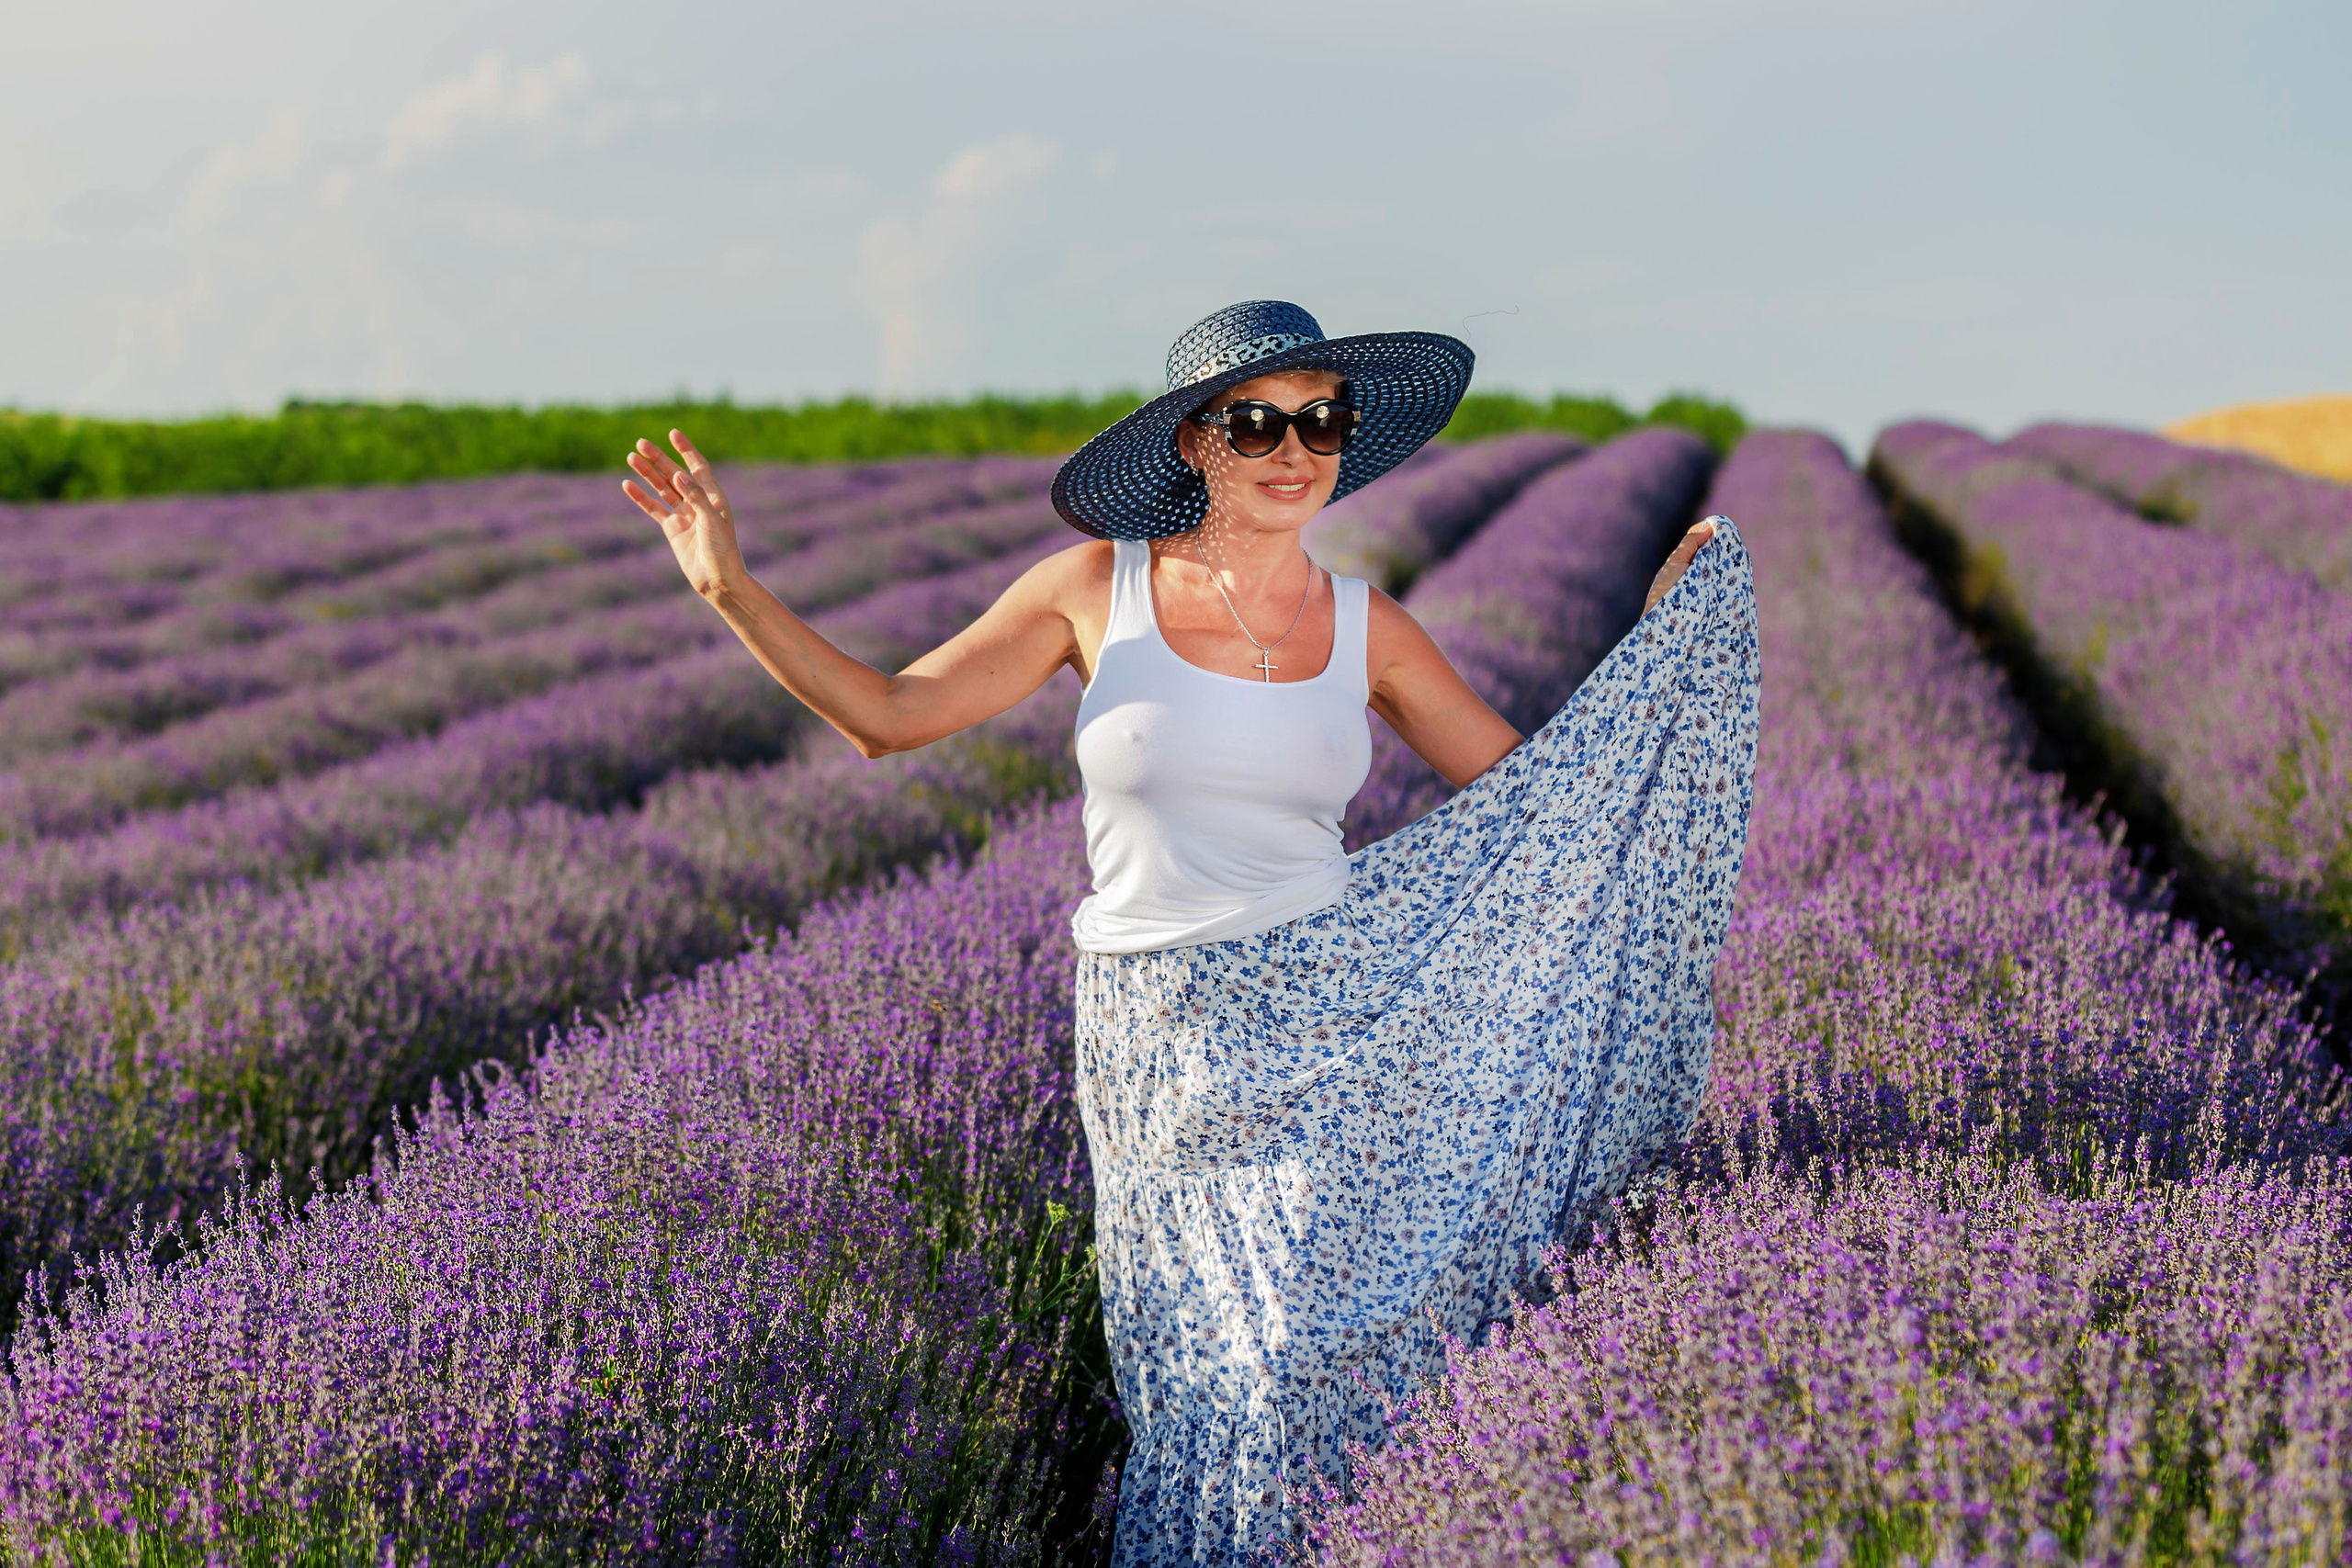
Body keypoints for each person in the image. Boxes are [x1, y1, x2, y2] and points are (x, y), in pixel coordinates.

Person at [622, 299, 1759, 1565]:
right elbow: (886, 715)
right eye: (1257, 422)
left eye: (1321, 420)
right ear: (1193, 446)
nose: (1294, 448)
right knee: (1211, 1377)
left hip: (1339, 1031)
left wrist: (1662, 653)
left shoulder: (1368, 626)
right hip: (1160, 1048)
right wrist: (727, 588)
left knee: (1302, 1365)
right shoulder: (1088, 594)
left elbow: (1544, 801)